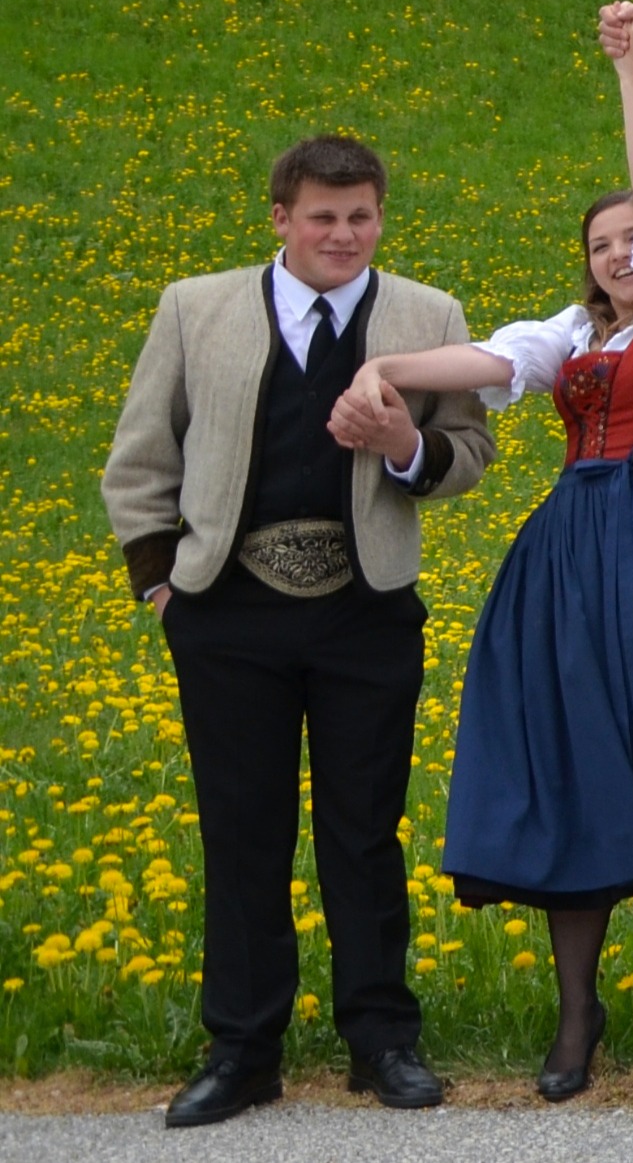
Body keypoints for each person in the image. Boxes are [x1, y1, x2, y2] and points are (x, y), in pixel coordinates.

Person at [343, 8, 633, 1100]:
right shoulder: (568, 336)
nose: (621, 252)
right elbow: (480, 361)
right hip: (562, 560)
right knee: (570, 764)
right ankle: (577, 1009)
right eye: (602, 244)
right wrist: (386, 373)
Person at [101, 135, 497, 1128]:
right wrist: (164, 590)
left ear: (381, 215)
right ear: (280, 218)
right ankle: (242, 1050)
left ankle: (381, 1039)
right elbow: (140, 459)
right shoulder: (194, 309)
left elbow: (470, 448)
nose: (344, 234)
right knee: (243, 832)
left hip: (367, 613)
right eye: (323, 216)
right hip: (226, 614)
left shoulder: (428, 315)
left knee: (363, 831)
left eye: (361, 216)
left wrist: (406, 446)